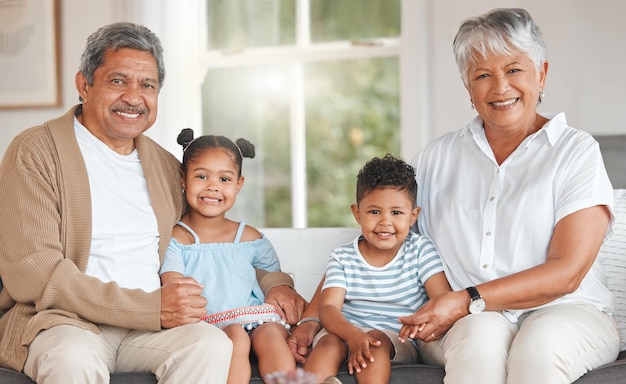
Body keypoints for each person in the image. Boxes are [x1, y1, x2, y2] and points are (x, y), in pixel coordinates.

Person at [0, 22, 305, 383]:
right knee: (71, 357)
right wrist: (148, 307)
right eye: (118, 81)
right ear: (84, 85)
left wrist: (275, 283)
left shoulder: (165, 166)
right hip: (66, 323)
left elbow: (214, 235)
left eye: (147, 85)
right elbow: (34, 273)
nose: (134, 97)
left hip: (154, 328)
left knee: (210, 344)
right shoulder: (36, 151)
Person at [397, 8, 620, 384]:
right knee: (478, 345)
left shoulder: (576, 151)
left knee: (539, 348)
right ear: (469, 88)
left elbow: (567, 272)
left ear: (541, 74)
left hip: (568, 309)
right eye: (483, 75)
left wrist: (467, 298)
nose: (500, 87)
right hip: (468, 319)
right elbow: (379, 232)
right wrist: (310, 313)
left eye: (514, 70)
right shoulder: (435, 158)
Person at [160, 129, 297, 383]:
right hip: (208, 323)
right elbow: (173, 285)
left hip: (254, 317)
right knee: (235, 336)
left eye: (225, 179)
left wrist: (281, 288)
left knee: (273, 336)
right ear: (183, 179)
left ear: (239, 185)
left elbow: (274, 279)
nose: (213, 187)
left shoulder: (250, 238)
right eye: (202, 176)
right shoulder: (177, 239)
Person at [303, 154, 451, 383]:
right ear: (357, 213)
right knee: (328, 344)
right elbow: (329, 308)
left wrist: (418, 326)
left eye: (396, 213)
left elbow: (441, 299)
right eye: (374, 212)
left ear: (413, 216)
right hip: (343, 331)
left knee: (376, 341)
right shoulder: (343, 257)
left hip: (393, 338)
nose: (385, 222)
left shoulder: (420, 250)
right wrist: (352, 335)